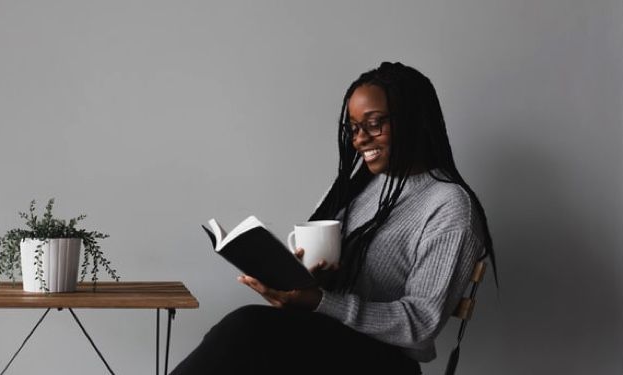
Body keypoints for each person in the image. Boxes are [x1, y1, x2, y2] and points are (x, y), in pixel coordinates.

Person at [170, 62, 497, 375]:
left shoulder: (449, 205)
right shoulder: (358, 187)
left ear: (412, 119)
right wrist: (301, 286)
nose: (359, 139)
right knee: (237, 339)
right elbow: (335, 289)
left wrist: (321, 302)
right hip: (330, 342)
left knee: (246, 331)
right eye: (354, 128)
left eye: (373, 123)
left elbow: (421, 324)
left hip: (384, 363)